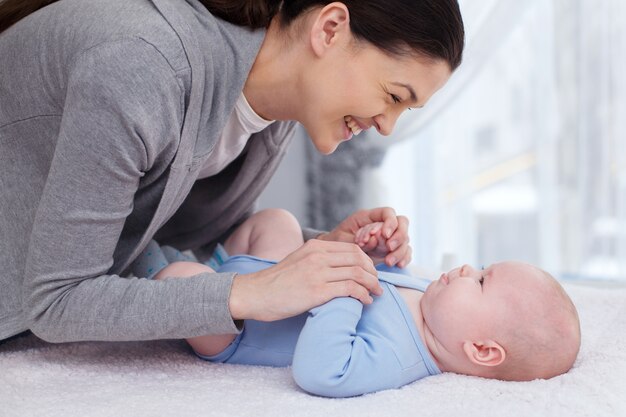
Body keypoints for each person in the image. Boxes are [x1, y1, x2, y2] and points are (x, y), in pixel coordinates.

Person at [0, 0, 464, 343]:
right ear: (330, 28)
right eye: (394, 96)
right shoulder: (144, 67)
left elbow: (166, 226)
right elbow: (56, 301)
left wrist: (324, 250)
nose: (386, 126)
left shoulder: (271, 114)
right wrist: (251, 292)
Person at [141, 209, 581, 398]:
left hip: (238, 327)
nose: (467, 268)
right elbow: (378, 280)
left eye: (482, 281)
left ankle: (161, 266)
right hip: (271, 271)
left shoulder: (400, 359)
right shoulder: (428, 299)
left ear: (481, 350)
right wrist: (372, 252)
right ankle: (217, 261)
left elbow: (321, 372)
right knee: (278, 221)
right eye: (482, 265)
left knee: (182, 281)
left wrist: (341, 289)